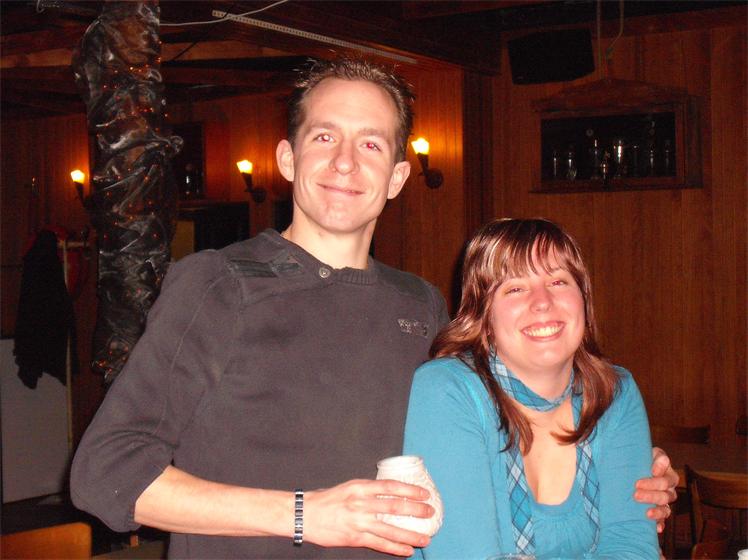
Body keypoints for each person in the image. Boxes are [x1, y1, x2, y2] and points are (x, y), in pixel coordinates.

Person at [71, 60, 676, 559]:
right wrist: (305, 514)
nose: (345, 162)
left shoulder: (420, 302)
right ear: (287, 159)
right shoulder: (218, 284)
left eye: (370, 143)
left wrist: (618, 465)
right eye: (324, 137)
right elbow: (104, 473)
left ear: (397, 176)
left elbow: (492, 419)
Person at [403, 217, 662, 558]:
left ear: (583, 299)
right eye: (515, 288)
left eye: (558, 281)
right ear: (483, 315)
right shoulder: (447, 390)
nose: (542, 301)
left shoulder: (614, 393)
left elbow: (633, 546)